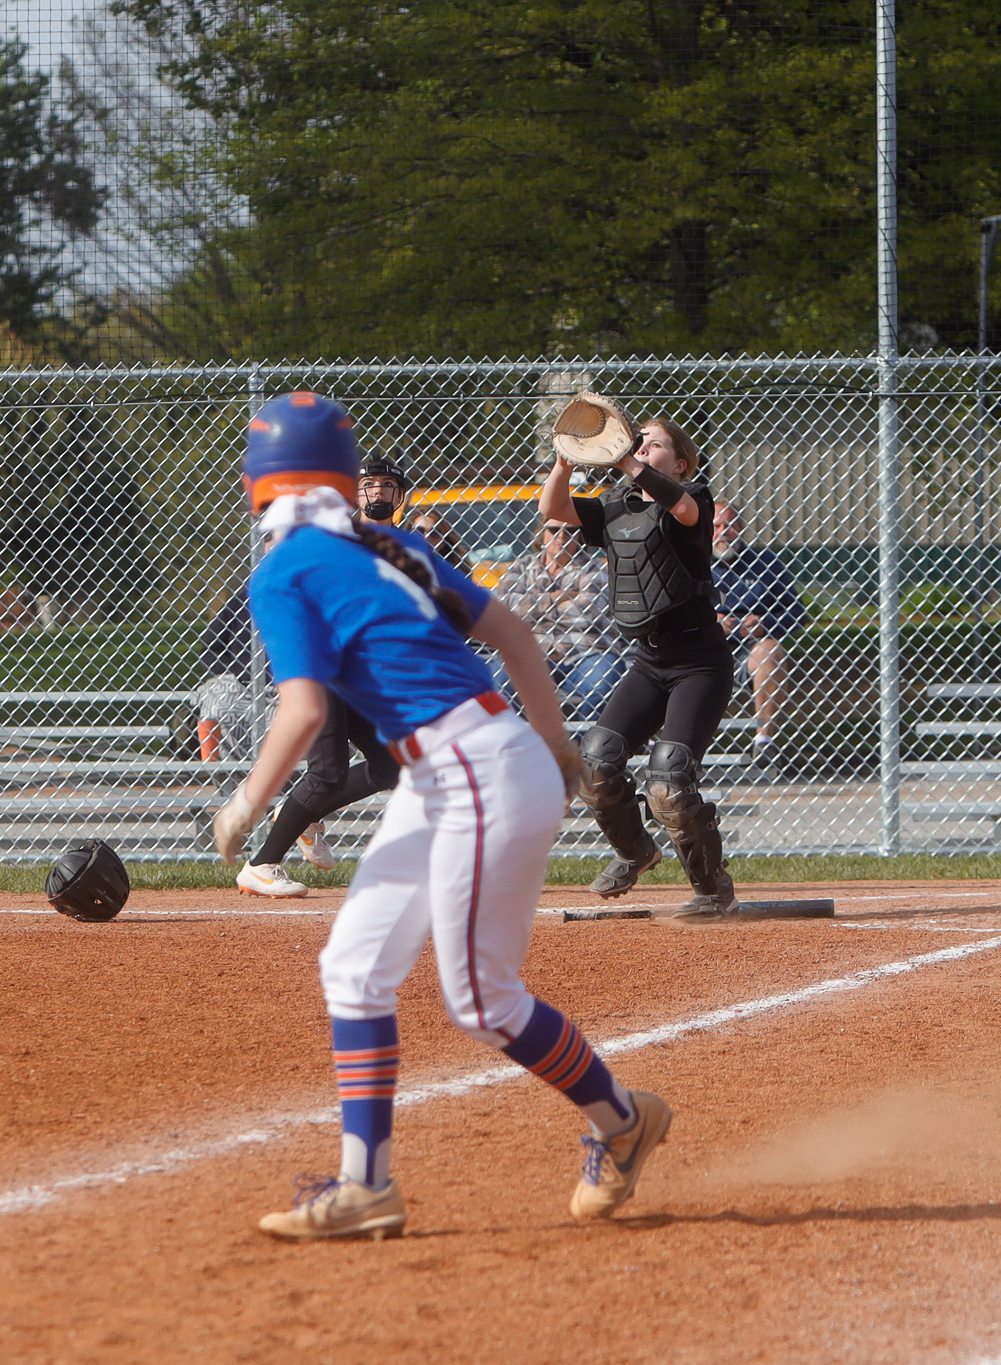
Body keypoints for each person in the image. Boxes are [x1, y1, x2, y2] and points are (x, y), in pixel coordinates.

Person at [214, 390, 674, 1241]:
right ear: (344, 478)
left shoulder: (282, 568)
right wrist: (557, 749)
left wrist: (246, 800)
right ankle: (367, 1186)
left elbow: (304, 710)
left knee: (482, 999)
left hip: (472, 770)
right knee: (354, 967)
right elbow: (516, 636)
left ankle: (623, 1119)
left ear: (262, 482)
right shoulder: (392, 543)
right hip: (468, 763)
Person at [541, 415, 739, 921]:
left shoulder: (693, 498)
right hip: (649, 662)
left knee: (668, 776)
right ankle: (635, 851)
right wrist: (564, 463)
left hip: (700, 663)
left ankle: (712, 888)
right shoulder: (617, 505)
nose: (642, 449)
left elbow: (683, 509)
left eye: (653, 445)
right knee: (595, 762)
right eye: (638, 444)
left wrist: (627, 459)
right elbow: (553, 509)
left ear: (680, 463)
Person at [235, 453, 416, 897]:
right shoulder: (338, 534)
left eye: (387, 485)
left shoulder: (408, 546)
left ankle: (302, 816)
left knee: (392, 764)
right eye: (369, 485)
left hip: (358, 673)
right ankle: (261, 864)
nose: (377, 492)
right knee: (327, 773)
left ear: (400, 495)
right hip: (321, 664)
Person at [492, 521, 624, 721]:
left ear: (579, 536)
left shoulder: (594, 567)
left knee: (603, 683)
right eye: (554, 530)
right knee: (499, 682)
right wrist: (557, 597)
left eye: (570, 530)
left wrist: (532, 607)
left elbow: (588, 613)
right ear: (542, 533)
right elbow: (507, 608)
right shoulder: (522, 567)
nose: (561, 536)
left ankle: (588, 740)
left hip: (586, 652)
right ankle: (522, 739)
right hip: (530, 652)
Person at [711, 500, 806, 774]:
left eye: (730, 525)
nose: (723, 532)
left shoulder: (764, 563)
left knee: (771, 651)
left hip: (750, 648)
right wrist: (709, 621)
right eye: (716, 526)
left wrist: (765, 623)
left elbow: (797, 612)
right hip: (704, 646)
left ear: (741, 529)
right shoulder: (691, 562)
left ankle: (764, 741)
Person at [193, 590, 254, 761]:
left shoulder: (305, 600)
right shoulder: (241, 603)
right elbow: (210, 651)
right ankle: (224, 771)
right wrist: (241, 670)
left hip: (293, 685)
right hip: (242, 685)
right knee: (216, 707)